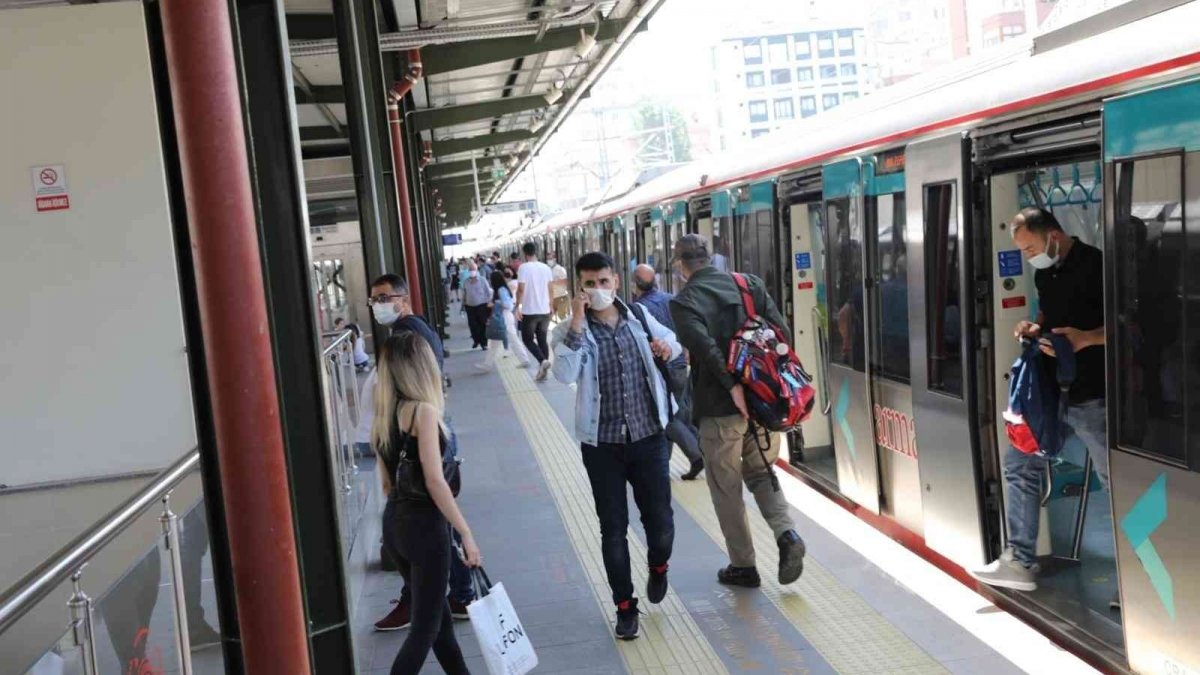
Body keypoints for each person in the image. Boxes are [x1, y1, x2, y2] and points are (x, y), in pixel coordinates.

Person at [971, 208, 1107, 593]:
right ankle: (1020, 562)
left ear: (1054, 235)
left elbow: (1130, 325)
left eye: (1031, 247)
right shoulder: (1045, 273)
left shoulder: (1098, 266)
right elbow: (1049, 315)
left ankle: (1133, 581)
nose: (1030, 256)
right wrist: (1034, 327)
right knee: (1019, 466)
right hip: (1050, 393)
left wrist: (1086, 339)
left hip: (1092, 393)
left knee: (1114, 482)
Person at [551, 251, 680, 640]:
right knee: (613, 529)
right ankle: (625, 606)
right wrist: (575, 320)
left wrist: (665, 348)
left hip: (649, 438)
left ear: (616, 282)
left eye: (603, 282)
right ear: (579, 287)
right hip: (602, 445)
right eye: (589, 284)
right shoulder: (567, 330)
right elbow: (563, 372)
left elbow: (671, 341)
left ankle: (659, 566)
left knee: (660, 524)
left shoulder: (638, 318)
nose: (597, 290)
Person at [668, 234, 807, 589]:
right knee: (762, 472)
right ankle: (787, 534)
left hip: (719, 410)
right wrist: (757, 383)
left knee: (726, 486)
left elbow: (703, 347)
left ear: (681, 266)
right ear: (711, 257)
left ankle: (743, 566)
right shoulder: (749, 284)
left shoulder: (684, 302)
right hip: (763, 405)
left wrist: (732, 385)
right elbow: (781, 334)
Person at [367, 274, 474, 628]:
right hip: (429, 428)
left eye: (384, 297)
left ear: (403, 298)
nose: (379, 305)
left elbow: (426, 482)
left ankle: (451, 593)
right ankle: (448, 595)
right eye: (374, 299)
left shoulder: (405, 337)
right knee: (436, 515)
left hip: (423, 431)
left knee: (436, 513)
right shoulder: (419, 327)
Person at [373, 332, 482, 675]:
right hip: (425, 528)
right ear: (421, 367)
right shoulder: (423, 411)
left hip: (395, 524)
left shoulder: (384, 415)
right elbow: (435, 481)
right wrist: (465, 532)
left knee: (438, 622)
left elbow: (387, 484)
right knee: (426, 629)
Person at [633, 264, 704, 480]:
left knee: (668, 414)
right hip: (681, 365)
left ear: (635, 285)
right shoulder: (670, 299)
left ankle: (696, 455)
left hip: (664, 368)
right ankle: (663, 463)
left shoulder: (640, 308)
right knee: (678, 412)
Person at [516, 241, 555, 381]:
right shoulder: (546, 268)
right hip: (544, 310)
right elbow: (550, 288)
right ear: (536, 252)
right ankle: (543, 370)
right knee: (542, 339)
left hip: (530, 310)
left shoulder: (523, 268)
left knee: (527, 339)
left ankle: (542, 361)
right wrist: (551, 305)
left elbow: (521, 289)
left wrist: (517, 306)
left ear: (525, 254)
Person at [477, 270, 531, 371]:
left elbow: (508, 305)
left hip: (504, 317)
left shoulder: (501, 290)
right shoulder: (503, 288)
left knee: (506, 340)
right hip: (504, 317)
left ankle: (487, 364)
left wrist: (495, 303)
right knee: (498, 341)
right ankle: (524, 360)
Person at [462, 262, 493, 350]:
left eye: (474, 269)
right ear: (468, 271)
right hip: (469, 306)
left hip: (482, 305)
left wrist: (489, 302)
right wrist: (463, 305)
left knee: (483, 324)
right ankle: (476, 340)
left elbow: (488, 291)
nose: (472, 271)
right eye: (471, 270)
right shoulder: (466, 282)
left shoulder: (482, 280)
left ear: (477, 270)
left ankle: (484, 343)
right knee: (473, 325)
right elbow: (464, 294)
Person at [550, 253, 570, 322]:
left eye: (551, 259)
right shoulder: (548, 269)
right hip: (552, 297)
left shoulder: (560, 269)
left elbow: (566, 281)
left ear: (555, 259)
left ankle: (567, 330)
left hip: (561, 296)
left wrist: (554, 282)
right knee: (549, 315)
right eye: (548, 259)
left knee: (562, 315)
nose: (549, 260)